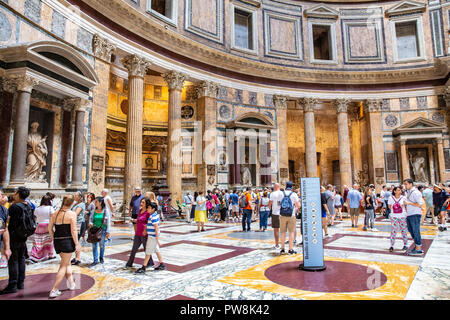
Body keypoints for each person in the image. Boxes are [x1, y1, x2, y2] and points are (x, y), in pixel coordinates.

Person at [0, 187, 33, 295]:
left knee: (13, 260)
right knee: (21, 258)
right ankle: (20, 282)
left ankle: (13, 284)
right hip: (23, 236)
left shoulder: (14, 207)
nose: (14, 194)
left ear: (18, 194)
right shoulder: (28, 205)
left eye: (15, 192)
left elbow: (10, 223)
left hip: (13, 236)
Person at [48, 195, 80, 298]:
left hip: (58, 241)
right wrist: (77, 244)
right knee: (63, 265)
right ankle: (54, 289)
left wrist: (54, 237)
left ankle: (71, 284)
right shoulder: (72, 214)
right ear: (72, 203)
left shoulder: (55, 213)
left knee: (66, 263)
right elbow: (73, 230)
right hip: (67, 241)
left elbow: (50, 228)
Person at [135, 202, 166, 273]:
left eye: (149, 208)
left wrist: (157, 239)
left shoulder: (153, 217)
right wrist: (146, 229)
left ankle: (143, 267)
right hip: (152, 236)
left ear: (153, 209)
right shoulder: (153, 215)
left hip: (152, 237)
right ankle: (162, 264)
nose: (147, 209)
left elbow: (156, 228)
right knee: (157, 251)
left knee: (148, 252)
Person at [125, 198, 153, 269]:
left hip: (144, 234)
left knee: (146, 249)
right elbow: (138, 220)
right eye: (141, 202)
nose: (141, 203)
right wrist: (133, 220)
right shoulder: (140, 211)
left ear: (146, 204)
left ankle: (150, 262)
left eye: (143, 202)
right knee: (134, 249)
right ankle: (129, 263)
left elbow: (149, 223)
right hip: (138, 233)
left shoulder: (147, 213)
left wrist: (146, 230)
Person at [30, 195, 55, 263]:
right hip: (48, 225)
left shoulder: (37, 208)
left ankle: (35, 255)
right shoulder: (50, 208)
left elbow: (35, 217)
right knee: (49, 241)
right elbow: (53, 217)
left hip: (40, 225)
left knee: (38, 241)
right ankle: (50, 254)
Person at [403, 178, 424, 255]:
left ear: (410, 184)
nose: (405, 186)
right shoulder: (408, 192)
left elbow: (420, 204)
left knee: (415, 231)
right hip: (409, 214)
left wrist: (408, 203)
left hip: (415, 214)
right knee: (411, 230)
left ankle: (418, 249)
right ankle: (416, 246)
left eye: (406, 184)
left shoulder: (416, 193)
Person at [278, 182, 300, 255]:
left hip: (282, 215)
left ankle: (282, 249)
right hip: (291, 215)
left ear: (286, 186)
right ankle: (290, 249)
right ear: (292, 187)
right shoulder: (294, 194)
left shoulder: (281, 193)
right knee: (291, 232)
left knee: (282, 232)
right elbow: (298, 205)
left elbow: (278, 203)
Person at [88, 197, 111, 266]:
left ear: (100, 202)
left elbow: (108, 221)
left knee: (101, 245)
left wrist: (108, 231)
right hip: (94, 230)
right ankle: (95, 260)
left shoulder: (105, 211)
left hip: (103, 230)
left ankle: (101, 258)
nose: (95, 203)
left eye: (96, 202)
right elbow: (91, 219)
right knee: (94, 245)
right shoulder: (93, 211)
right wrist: (90, 223)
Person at [387, 186, 408, 252]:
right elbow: (389, 206)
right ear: (394, 191)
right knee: (394, 230)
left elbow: (406, 205)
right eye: (398, 190)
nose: (400, 191)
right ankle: (392, 245)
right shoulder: (391, 198)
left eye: (400, 190)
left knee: (403, 230)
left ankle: (405, 244)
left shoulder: (404, 197)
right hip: (394, 216)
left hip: (402, 215)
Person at [70, 191, 85, 266]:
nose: (74, 196)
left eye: (75, 195)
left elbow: (75, 214)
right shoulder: (75, 204)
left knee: (76, 240)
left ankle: (78, 258)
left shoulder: (81, 204)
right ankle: (76, 257)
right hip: (75, 223)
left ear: (79, 197)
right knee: (75, 239)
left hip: (79, 223)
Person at [268, 183, 283, 249]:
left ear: (275, 187)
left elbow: (270, 204)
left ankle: (277, 244)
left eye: (274, 186)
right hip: (283, 213)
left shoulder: (273, 194)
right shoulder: (283, 193)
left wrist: (269, 208)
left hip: (275, 213)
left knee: (276, 230)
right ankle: (283, 245)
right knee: (283, 230)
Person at [0, 191, 10, 269]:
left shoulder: (4, 210)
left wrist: (7, 248)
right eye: (1, 195)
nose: (3, 197)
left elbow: (5, 229)